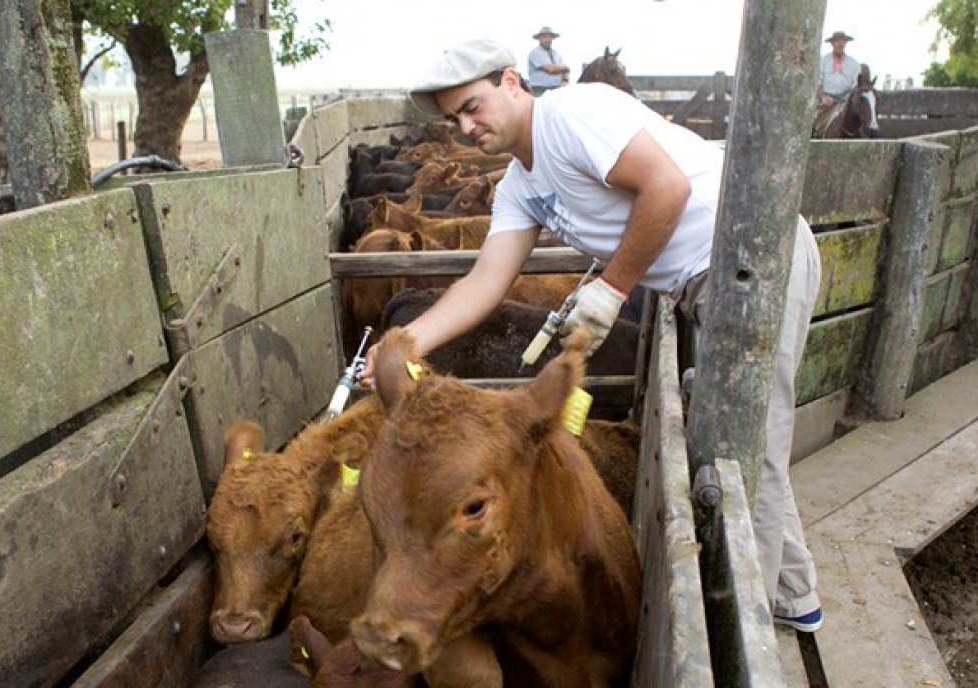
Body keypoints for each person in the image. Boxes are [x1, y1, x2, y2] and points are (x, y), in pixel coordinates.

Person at [362, 37, 824, 633]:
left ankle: (744, 634)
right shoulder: (519, 187)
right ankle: (795, 596)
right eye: (455, 119)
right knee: (749, 438)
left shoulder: (572, 113)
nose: (466, 127)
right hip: (702, 280)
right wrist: (406, 343)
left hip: (753, 258)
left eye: (472, 106)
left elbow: (668, 188)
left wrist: (611, 288)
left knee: (747, 449)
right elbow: (485, 281)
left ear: (510, 81)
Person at [814, 31, 861, 135]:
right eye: (837, 41)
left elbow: (857, 85)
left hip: (845, 101)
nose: (840, 44)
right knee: (812, 123)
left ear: (845, 43)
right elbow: (817, 81)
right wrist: (823, 97)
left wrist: (847, 98)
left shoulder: (853, 64)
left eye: (842, 41)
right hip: (825, 101)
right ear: (832, 43)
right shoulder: (823, 61)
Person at [527, 26, 569, 96]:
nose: (547, 39)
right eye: (544, 36)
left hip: (556, 90)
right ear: (539, 38)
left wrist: (565, 80)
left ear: (552, 38)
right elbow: (550, 70)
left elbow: (564, 72)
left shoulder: (557, 54)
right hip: (540, 91)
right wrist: (565, 68)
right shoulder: (535, 53)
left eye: (549, 37)